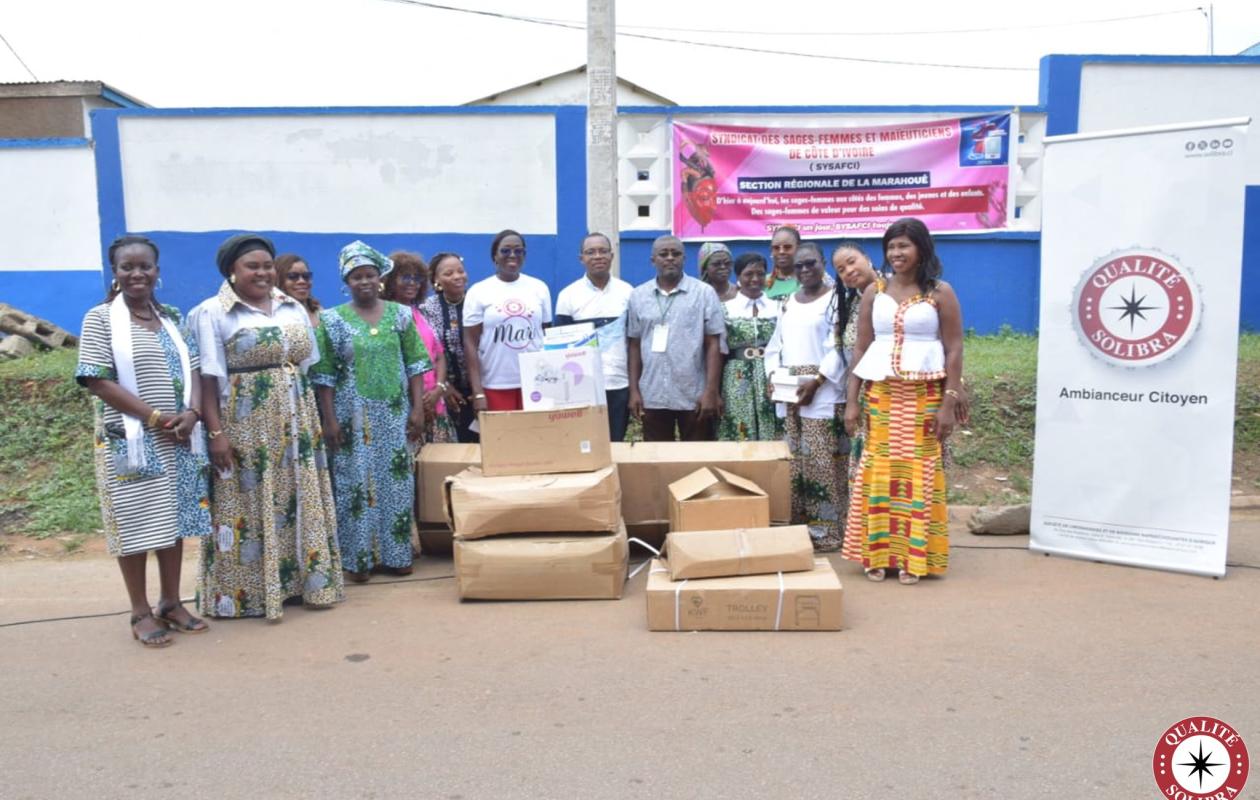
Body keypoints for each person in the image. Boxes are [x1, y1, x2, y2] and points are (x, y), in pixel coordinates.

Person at [190, 233, 344, 619]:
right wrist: (215, 434)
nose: (262, 272)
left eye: (266, 265)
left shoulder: (291, 305)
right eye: (251, 266)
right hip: (244, 426)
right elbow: (207, 380)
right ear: (231, 271)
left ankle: (298, 583)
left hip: (296, 420)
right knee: (245, 504)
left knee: (297, 498)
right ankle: (246, 594)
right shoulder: (212, 313)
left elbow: (306, 362)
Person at [76, 235, 212, 647]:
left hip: (179, 437)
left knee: (173, 519)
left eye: (144, 266)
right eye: (127, 267)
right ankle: (139, 611)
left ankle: (171, 602)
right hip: (130, 440)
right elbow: (97, 379)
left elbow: (194, 371)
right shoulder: (100, 319)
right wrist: (153, 417)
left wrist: (192, 413)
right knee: (134, 522)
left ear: (157, 271)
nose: (137, 274)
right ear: (115, 274)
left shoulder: (171, 317)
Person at [844, 218, 964, 585]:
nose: (896, 253)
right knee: (878, 472)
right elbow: (862, 348)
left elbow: (954, 347)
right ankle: (877, 553)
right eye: (891, 247)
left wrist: (949, 402)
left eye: (904, 246)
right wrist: (852, 401)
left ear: (921, 249)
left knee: (918, 474)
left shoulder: (940, 292)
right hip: (881, 395)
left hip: (925, 396)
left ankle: (914, 557)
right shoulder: (873, 293)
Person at [312, 242, 432, 582]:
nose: (364, 282)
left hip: (394, 415)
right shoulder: (332, 320)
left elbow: (416, 365)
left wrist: (418, 411)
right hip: (353, 417)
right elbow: (324, 376)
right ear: (346, 282)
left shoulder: (401, 315)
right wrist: (330, 420)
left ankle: (396, 555)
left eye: (369, 275)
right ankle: (358, 560)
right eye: (356, 277)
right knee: (354, 485)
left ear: (379, 279)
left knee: (396, 482)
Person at [763, 242, 847, 552]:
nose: (804, 270)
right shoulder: (787, 302)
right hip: (790, 392)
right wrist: (773, 376)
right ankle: (800, 527)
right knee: (794, 462)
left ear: (823, 263)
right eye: (798, 266)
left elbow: (838, 346)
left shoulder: (836, 299)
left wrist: (817, 381)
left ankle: (828, 532)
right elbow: (775, 347)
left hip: (821, 391)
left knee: (821, 463)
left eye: (810, 263)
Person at [626, 234, 724, 441]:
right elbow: (634, 345)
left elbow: (713, 344)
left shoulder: (704, 293)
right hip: (652, 393)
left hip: (694, 394)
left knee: (698, 459)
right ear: (653, 260)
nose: (670, 258)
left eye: (676, 253)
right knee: (657, 461)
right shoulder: (638, 296)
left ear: (684, 258)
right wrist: (634, 390)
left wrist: (711, 391)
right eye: (664, 254)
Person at [554, 232, 634, 441]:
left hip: (619, 384)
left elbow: (635, 343)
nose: (598, 256)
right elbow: (561, 350)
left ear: (612, 255)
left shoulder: (628, 293)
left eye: (603, 251)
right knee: (584, 444)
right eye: (591, 252)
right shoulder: (567, 296)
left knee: (615, 442)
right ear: (582, 258)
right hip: (582, 387)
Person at [463, 229, 552, 413]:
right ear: (495, 255)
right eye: (505, 250)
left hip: (536, 382)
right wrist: (478, 392)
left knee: (537, 438)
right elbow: (470, 343)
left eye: (518, 251)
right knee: (501, 440)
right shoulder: (479, 291)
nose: (512, 255)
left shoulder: (539, 288)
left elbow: (546, 335)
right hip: (496, 383)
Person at [831, 240, 881, 564]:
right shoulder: (857, 301)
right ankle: (871, 540)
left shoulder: (891, 294)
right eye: (840, 269)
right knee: (865, 472)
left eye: (851, 262)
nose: (849, 271)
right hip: (863, 395)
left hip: (892, 395)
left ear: (867, 257)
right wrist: (852, 400)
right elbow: (856, 356)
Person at [384, 251, 456, 444]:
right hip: (408, 408)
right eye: (406, 277)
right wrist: (418, 402)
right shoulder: (385, 316)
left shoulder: (421, 313)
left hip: (436, 403)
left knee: (441, 468)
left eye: (417, 278)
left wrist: (439, 389)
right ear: (390, 280)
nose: (412, 282)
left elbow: (439, 355)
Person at [717, 252, 782, 442]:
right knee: (739, 426)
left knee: (771, 424)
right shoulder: (726, 308)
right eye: (748, 274)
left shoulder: (777, 307)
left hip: (769, 374)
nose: (755, 279)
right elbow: (719, 350)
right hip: (736, 376)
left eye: (760, 274)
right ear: (738, 277)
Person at [420, 252, 477, 442]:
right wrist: (445, 386)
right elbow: (429, 350)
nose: (457, 276)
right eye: (449, 273)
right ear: (436, 279)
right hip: (446, 393)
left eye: (461, 271)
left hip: (482, 387)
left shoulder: (478, 302)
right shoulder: (427, 308)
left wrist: (479, 388)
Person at [276, 253, 321, 327]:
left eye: (306, 276)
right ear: (278, 280)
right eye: (293, 276)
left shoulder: (319, 310)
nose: (301, 281)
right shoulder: (275, 315)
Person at [764, 226, 801, 301]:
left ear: (799, 249)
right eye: (776, 248)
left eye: (787, 247)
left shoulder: (810, 280)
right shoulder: (762, 282)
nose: (781, 252)